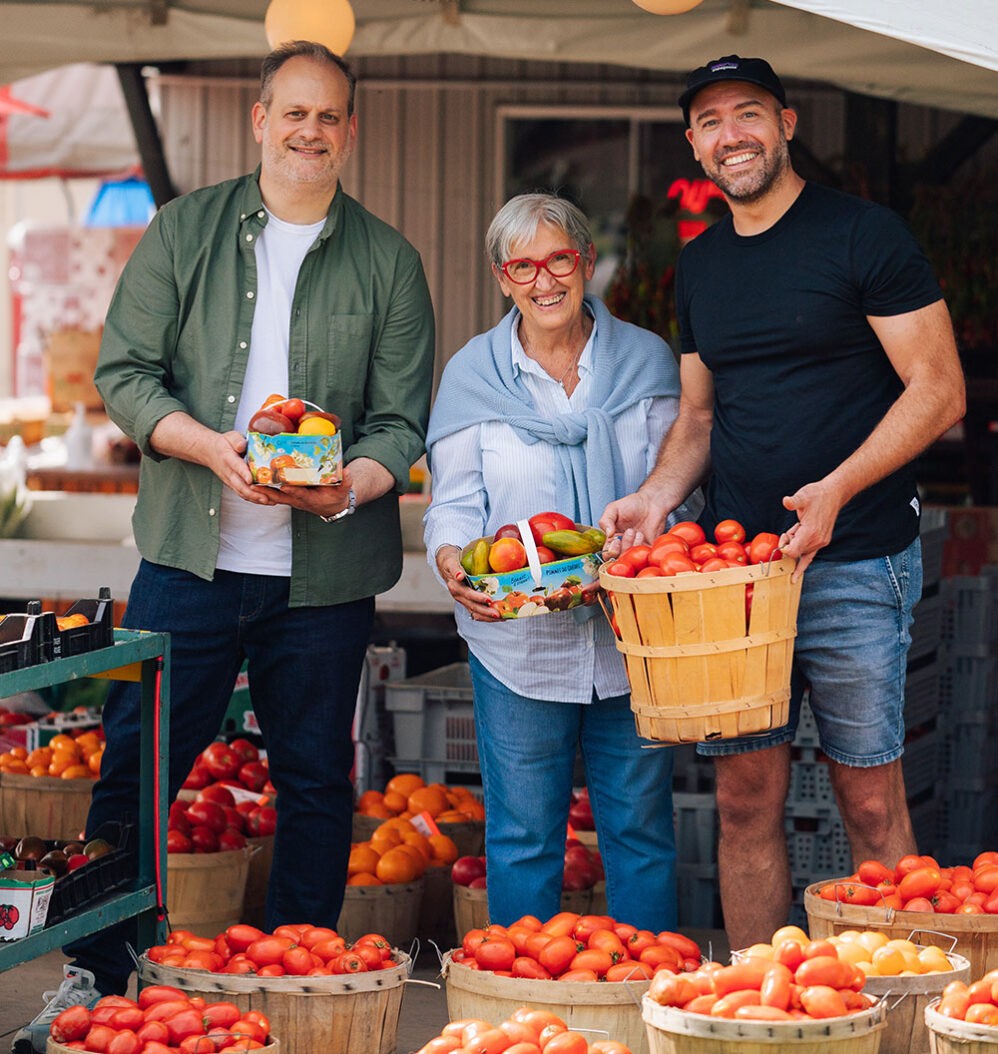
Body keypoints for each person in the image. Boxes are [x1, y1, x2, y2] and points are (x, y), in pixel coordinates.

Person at [15, 40, 434, 1048]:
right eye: (291, 111)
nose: (307, 130)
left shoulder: (387, 260)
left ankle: (293, 982)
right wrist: (211, 449)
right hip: (188, 564)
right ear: (258, 119)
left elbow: (398, 424)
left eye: (326, 115)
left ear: (349, 130)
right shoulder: (183, 232)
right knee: (134, 770)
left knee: (315, 784)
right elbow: (125, 374)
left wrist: (347, 487)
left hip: (324, 578)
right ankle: (97, 975)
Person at [600, 55, 966, 949]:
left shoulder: (862, 235)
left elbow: (939, 388)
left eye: (750, 114)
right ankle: (763, 1012)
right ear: (693, 144)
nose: (734, 135)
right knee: (746, 800)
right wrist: (653, 499)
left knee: (869, 798)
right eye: (713, 121)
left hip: (857, 555)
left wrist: (839, 488)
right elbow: (698, 416)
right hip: (741, 582)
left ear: (787, 123)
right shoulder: (703, 267)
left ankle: (908, 1009)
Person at [424, 192, 699, 931]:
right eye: (523, 266)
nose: (544, 280)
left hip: (632, 643)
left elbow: (685, 490)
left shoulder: (646, 359)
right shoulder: (471, 376)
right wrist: (451, 559)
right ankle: (522, 1016)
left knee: (640, 835)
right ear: (501, 277)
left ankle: (650, 1005)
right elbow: (453, 503)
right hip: (519, 648)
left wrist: (653, 535)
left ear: (584, 263)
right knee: (521, 837)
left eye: (559, 259)